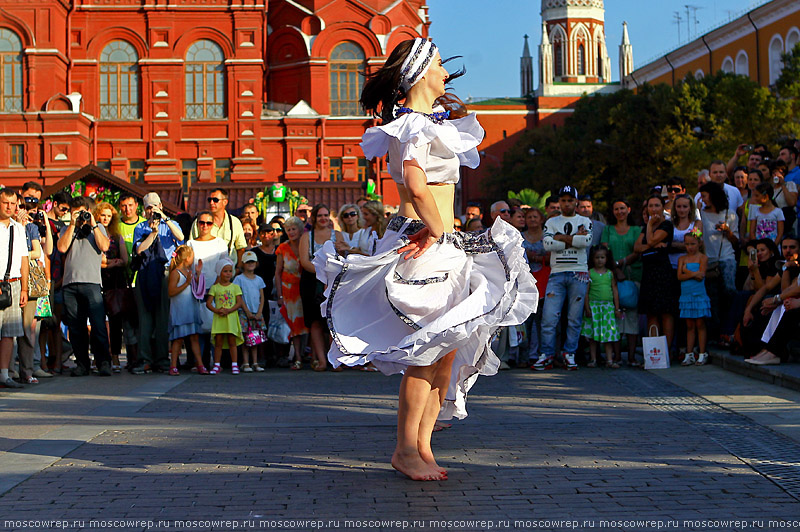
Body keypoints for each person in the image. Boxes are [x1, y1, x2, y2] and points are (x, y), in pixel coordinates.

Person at [313, 37, 536, 481]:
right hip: (425, 241)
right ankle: (405, 449)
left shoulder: (426, 122)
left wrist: (445, 233)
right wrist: (438, 231)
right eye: (436, 63)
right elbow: (416, 186)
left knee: (445, 353)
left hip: (441, 241)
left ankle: (424, 447)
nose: (444, 70)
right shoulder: (412, 126)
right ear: (417, 75)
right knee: (426, 352)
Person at [533, 185, 592, 371]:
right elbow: (548, 245)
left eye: (570, 200)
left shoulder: (585, 220)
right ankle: (547, 353)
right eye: (563, 200)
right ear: (559, 202)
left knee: (574, 317)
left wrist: (561, 237)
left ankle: (569, 353)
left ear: (576, 202)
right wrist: (574, 238)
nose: (566, 204)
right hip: (557, 272)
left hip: (579, 272)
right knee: (549, 317)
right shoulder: (551, 222)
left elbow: (587, 242)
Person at [56, 196, 112, 377]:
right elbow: (62, 248)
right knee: (76, 327)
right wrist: (72, 225)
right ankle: (82, 364)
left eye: (82, 212)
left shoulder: (99, 228)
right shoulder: (66, 229)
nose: (80, 216)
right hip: (70, 284)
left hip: (92, 282)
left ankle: (104, 362)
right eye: (76, 212)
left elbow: (104, 246)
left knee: (98, 325)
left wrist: (93, 223)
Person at [131, 192, 184, 374]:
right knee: (145, 319)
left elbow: (181, 237)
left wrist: (165, 220)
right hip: (145, 274)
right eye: (148, 208)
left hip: (164, 274)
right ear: (144, 211)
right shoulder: (140, 228)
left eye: (155, 206)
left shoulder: (171, 224)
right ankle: (144, 358)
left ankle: (162, 359)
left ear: (161, 206)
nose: (152, 210)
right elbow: (140, 250)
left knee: (162, 318)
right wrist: (153, 232)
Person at [601, 199, 642, 366]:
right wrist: (614, 267)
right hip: (611, 277)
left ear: (629, 209)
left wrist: (622, 263)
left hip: (633, 276)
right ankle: (617, 356)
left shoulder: (637, 230)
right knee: (615, 317)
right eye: (616, 209)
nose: (620, 212)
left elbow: (637, 251)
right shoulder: (608, 230)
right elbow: (604, 250)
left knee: (632, 317)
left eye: (623, 208)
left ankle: (631, 357)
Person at [635, 195, 676, 355]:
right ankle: (654, 353)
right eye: (650, 206)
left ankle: (667, 351)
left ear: (662, 207)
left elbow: (651, 241)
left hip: (663, 273)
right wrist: (650, 244)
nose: (653, 209)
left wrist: (651, 227)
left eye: (656, 205)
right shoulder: (646, 227)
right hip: (649, 272)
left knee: (666, 312)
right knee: (651, 312)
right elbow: (637, 247)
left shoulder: (666, 225)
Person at [298, 204, 335, 371]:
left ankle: (335, 360)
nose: (323, 218)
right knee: (315, 322)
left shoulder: (337, 235)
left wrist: (330, 275)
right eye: (320, 215)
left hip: (334, 281)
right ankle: (321, 360)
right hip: (312, 281)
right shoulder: (307, 236)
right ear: (314, 218)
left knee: (334, 321)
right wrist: (322, 272)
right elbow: (304, 261)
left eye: (326, 215)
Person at [94, 202, 128, 373]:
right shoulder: (93, 234)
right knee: (97, 321)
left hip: (115, 282)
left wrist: (107, 264)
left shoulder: (116, 235)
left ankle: (115, 355)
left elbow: (125, 259)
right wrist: (111, 263)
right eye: (103, 215)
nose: (106, 218)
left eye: (109, 216)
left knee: (115, 321)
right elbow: (96, 262)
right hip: (97, 280)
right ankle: (98, 357)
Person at [0, 189, 28, 389]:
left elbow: (24, 259)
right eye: (5, 202)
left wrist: (25, 288)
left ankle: (4, 374)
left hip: (15, 283)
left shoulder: (18, 228)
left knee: (10, 332)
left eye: (12, 203)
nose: (9, 207)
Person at [167, 245, 207, 376]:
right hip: (180, 311)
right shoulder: (175, 273)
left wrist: (198, 273)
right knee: (178, 339)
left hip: (190, 310)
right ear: (187, 258)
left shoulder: (189, 272)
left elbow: (195, 288)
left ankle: (200, 364)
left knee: (194, 338)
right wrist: (186, 283)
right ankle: (173, 366)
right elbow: (171, 292)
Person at [274, 216, 308, 369]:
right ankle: (297, 358)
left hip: (305, 289)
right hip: (289, 292)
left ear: (300, 230)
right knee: (294, 325)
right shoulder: (282, 248)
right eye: (288, 229)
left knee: (306, 324)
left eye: (294, 229)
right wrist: (280, 295)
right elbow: (278, 273)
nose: (291, 232)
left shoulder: (305, 244)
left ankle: (305, 354)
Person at [116, 193, 145, 369]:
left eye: (130, 205)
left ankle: (144, 357)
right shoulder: (116, 226)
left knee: (142, 321)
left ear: (136, 206)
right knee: (127, 323)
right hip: (123, 281)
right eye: (124, 206)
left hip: (140, 280)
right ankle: (132, 359)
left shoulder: (144, 224)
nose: (127, 209)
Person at [581, 246, 621, 368]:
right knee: (592, 337)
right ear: (592, 259)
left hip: (607, 307)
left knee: (608, 335)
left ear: (606, 259)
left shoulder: (610, 274)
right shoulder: (590, 273)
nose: (600, 260)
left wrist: (617, 308)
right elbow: (586, 292)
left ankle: (609, 359)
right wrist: (587, 308)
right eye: (597, 257)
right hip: (594, 307)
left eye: (602, 257)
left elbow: (615, 290)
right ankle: (593, 359)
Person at [677, 230, 711, 365]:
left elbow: (701, 275)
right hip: (686, 295)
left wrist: (687, 271)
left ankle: (702, 353)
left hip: (699, 295)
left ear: (699, 244)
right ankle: (689, 353)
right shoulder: (682, 259)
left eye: (692, 244)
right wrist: (692, 274)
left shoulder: (703, 258)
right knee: (689, 325)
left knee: (700, 324)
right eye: (687, 244)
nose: (689, 247)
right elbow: (679, 277)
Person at [189, 188, 247, 265]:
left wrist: (238, 269)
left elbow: (241, 248)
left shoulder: (234, 222)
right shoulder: (199, 222)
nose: (211, 203)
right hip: (204, 271)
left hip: (229, 272)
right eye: (209, 200)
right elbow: (191, 248)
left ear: (225, 202)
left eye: (215, 200)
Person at [206, 259, 244, 374]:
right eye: (225, 271)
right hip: (219, 318)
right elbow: (208, 303)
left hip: (231, 318)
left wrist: (230, 310)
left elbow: (239, 302)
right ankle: (217, 364)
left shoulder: (235, 287)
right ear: (219, 272)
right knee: (218, 342)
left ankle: (234, 364)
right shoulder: (215, 288)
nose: (228, 274)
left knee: (232, 341)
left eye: (230, 271)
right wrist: (217, 310)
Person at [522, 208, 548, 366]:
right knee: (526, 320)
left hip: (543, 280)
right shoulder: (521, 237)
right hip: (526, 282)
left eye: (535, 217)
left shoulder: (547, 236)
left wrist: (535, 256)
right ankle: (525, 355)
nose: (532, 219)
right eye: (529, 217)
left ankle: (539, 353)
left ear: (541, 219)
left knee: (541, 319)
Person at [234, 251, 266, 372]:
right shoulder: (239, 279)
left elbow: (262, 297)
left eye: (252, 262)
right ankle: (246, 362)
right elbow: (239, 296)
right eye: (248, 262)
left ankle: (255, 362)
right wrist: (246, 311)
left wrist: (259, 312)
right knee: (245, 339)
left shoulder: (259, 280)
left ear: (256, 263)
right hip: (244, 313)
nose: (250, 264)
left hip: (256, 312)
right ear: (243, 264)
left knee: (256, 339)